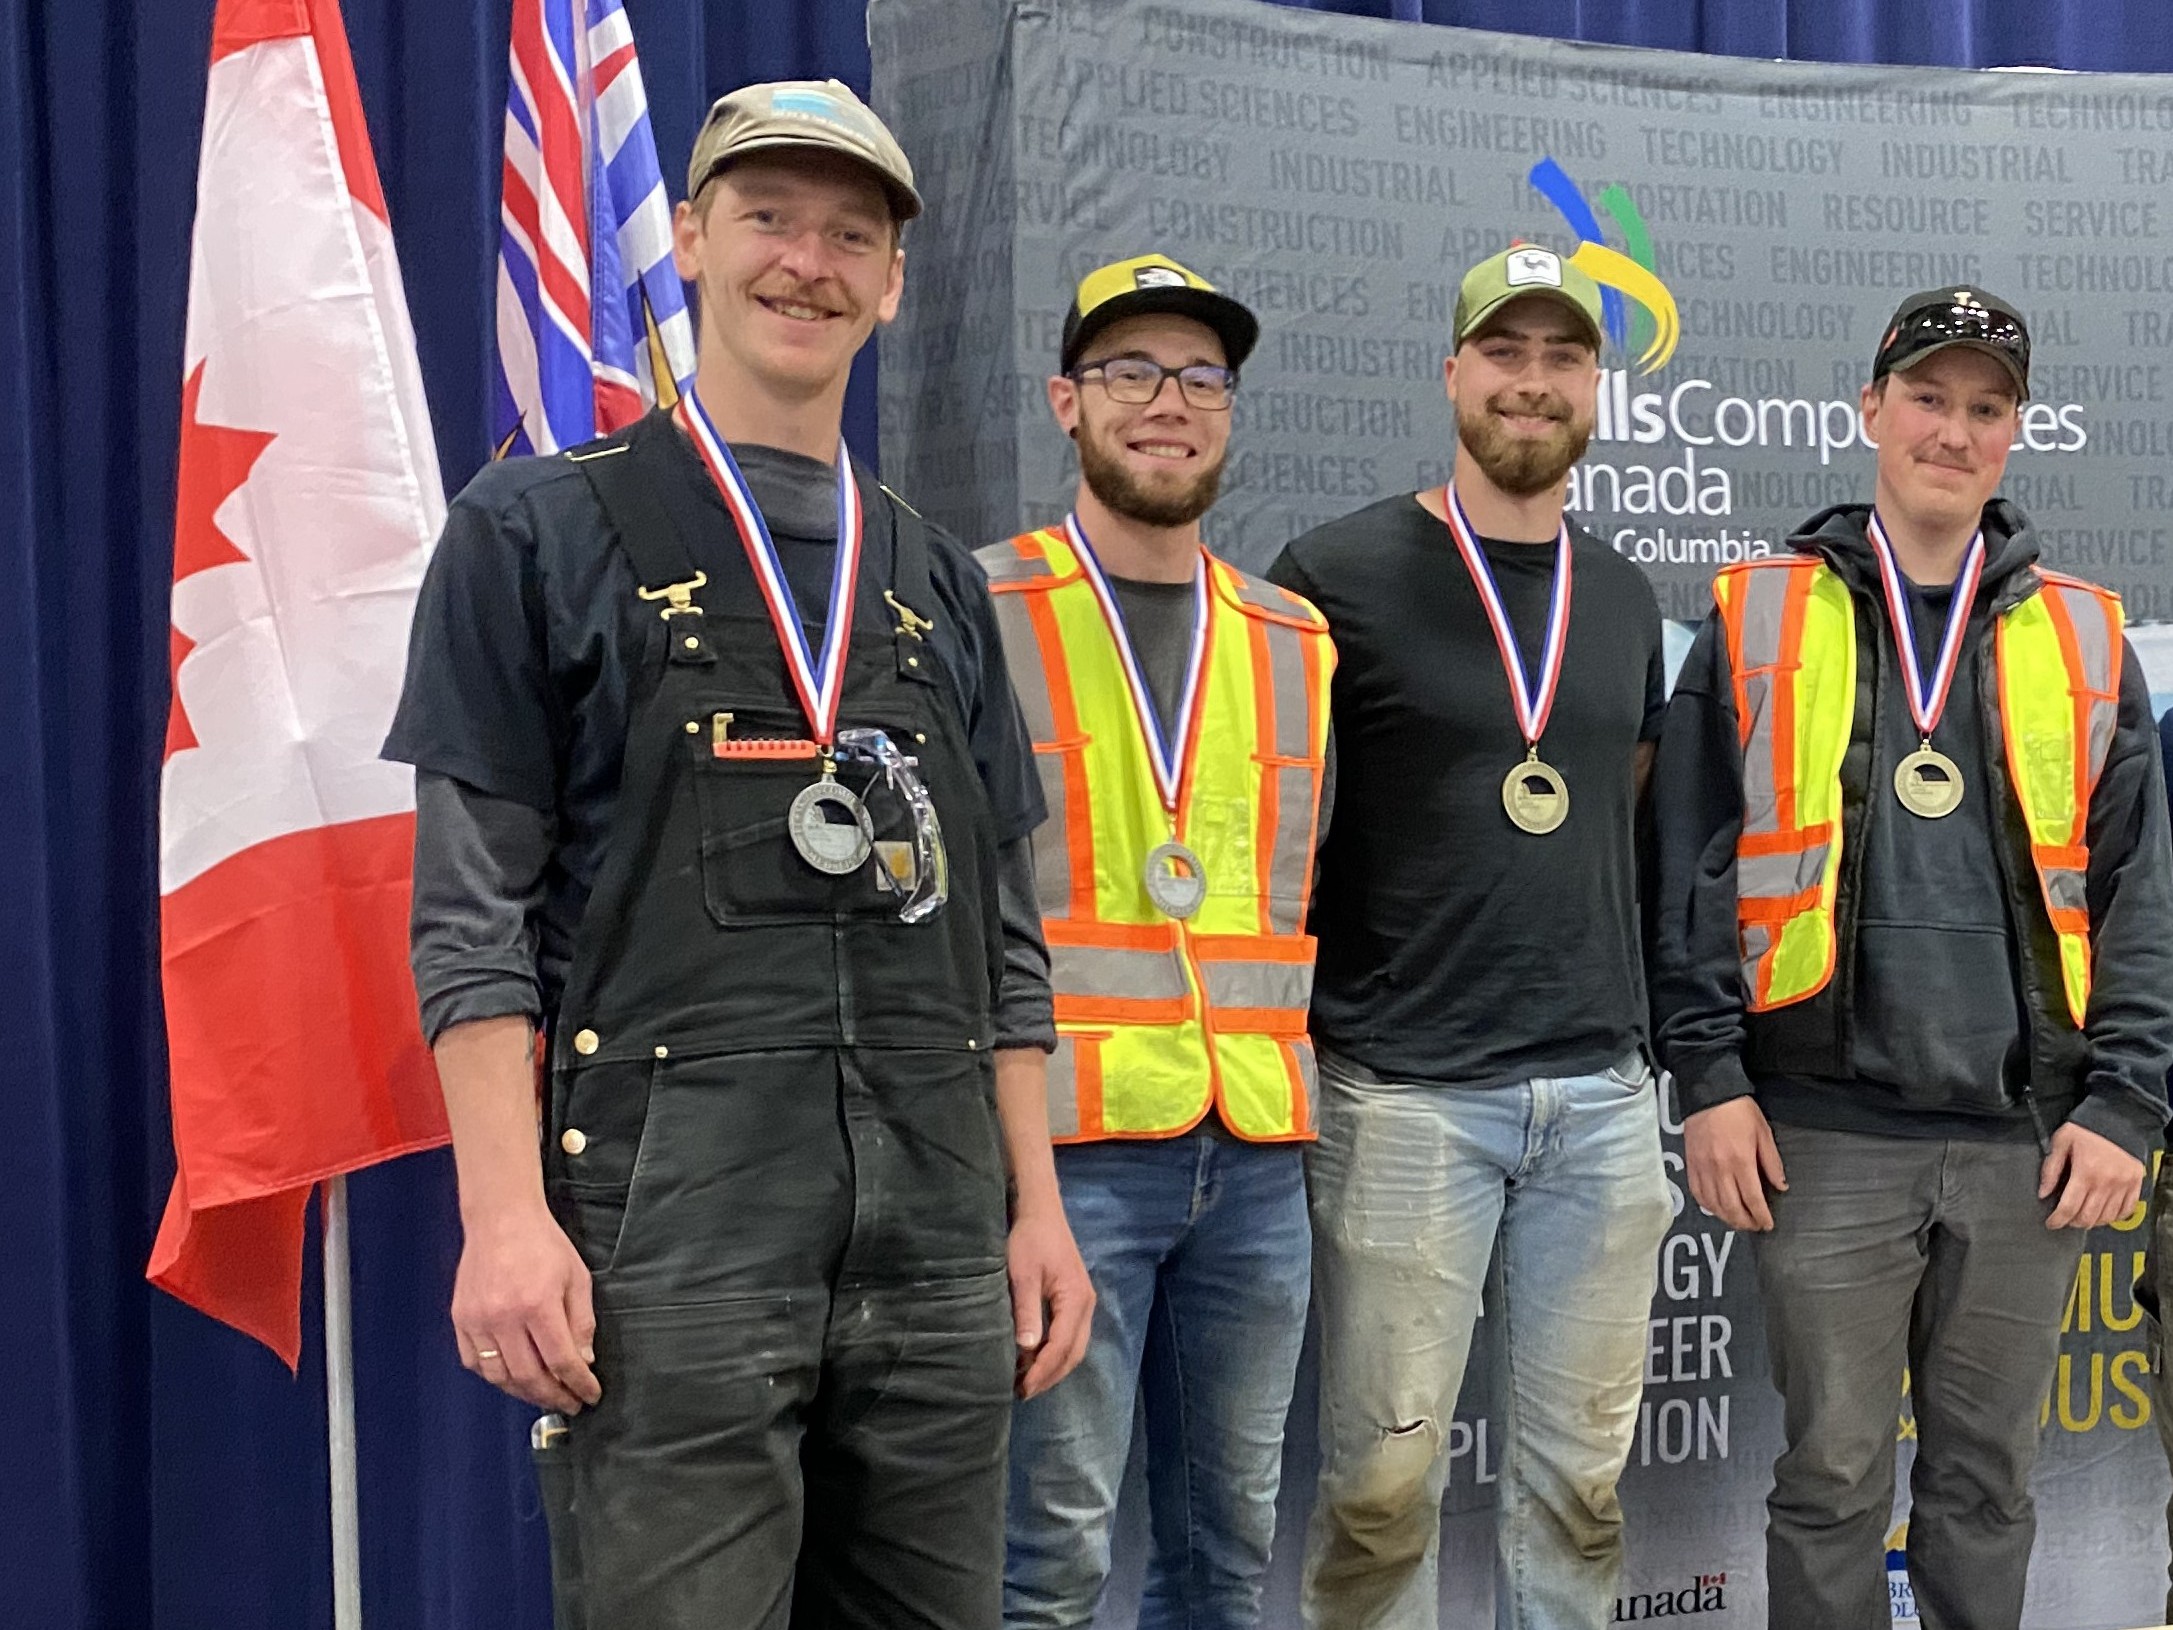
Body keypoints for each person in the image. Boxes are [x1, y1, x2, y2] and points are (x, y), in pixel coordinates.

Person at [382, 79, 1092, 1627]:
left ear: (893, 282)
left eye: (851, 235)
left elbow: (1005, 942)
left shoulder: (939, 585)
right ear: (692, 238)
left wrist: (1034, 1207)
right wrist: (504, 1216)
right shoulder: (532, 534)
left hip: (934, 1237)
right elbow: (471, 914)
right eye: (769, 218)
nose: (807, 263)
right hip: (671, 1247)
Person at [1651, 287, 2173, 1630]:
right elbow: (1689, 860)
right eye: (1927, 398)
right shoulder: (1756, 611)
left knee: (1986, 1481)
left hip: (2026, 1140)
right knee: (1827, 1473)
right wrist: (1706, 1077)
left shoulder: (2080, 629)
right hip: (1818, 1131)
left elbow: (2136, 891)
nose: (1952, 429)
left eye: (1983, 407)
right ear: (1868, 410)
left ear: (2013, 433)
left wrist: (2123, 1102)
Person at [1266, 245, 1674, 1630]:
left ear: (1596, 392)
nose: (1532, 381)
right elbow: (1284, 831)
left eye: (1563, 357)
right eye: (1505, 353)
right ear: (1453, 374)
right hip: (1401, 1099)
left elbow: (1632, 830)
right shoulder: (1334, 574)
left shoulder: (1621, 602)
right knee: (1377, 1493)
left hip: (1602, 1108)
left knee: (1579, 1491)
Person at [980, 255, 1334, 1629]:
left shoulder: (1295, 637)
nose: (1166, 402)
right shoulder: (975, 606)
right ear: (1068, 402)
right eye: (1130, 372)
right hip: (1061, 1164)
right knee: (1046, 1559)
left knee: (1228, 1548)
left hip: (1249, 1161)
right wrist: (1016, 1188)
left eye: (1199, 376)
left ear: (1231, 412)